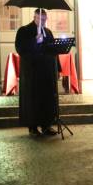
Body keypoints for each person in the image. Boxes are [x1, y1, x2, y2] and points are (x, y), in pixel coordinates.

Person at [15, 8, 60, 136]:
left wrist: (58, 69)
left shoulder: (48, 32)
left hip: (47, 72)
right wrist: (35, 41)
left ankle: (47, 125)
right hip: (32, 74)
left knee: (47, 99)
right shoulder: (24, 31)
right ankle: (33, 127)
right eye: (40, 18)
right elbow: (20, 49)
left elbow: (54, 51)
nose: (43, 21)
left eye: (45, 19)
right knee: (33, 100)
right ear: (34, 17)